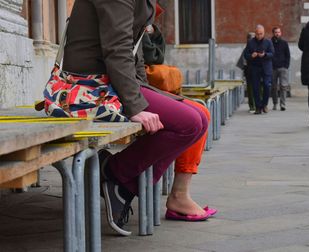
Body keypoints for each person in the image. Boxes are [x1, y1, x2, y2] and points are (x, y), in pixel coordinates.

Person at [62, 0, 213, 236]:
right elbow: (117, 49)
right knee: (189, 123)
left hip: (114, 81)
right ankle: (114, 174)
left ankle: (122, 184)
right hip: (91, 86)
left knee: (201, 115)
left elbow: (136, 54)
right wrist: (136, 106)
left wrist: (147, 93)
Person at [142, 22, 217, 221]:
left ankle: (179, 193)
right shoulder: (127, 10)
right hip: (126, 86)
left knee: (202, 114)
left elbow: (156, 54)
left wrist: (151, 28)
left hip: (137, 83)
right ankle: (132, 179)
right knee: (192, 120)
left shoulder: (143, 17)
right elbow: (151, 56)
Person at [244, 25, 275, 114]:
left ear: (264, 33)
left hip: (266, 67)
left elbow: (272, 53)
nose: (259, 36)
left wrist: (265, 55)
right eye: (257, 34)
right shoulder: (250, 42)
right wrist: (251, 56)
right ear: (255, 33)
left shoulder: (268, 42)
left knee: (266, 85)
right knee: (255, 88)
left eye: (261, 34)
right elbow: (246, 55)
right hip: (255, 67)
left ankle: (264, 104)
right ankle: (258, 107)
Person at [271, 27, 291, 111]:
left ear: (281, 33)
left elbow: (288, 55)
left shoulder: (284, 43)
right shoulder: (270, 43)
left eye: (279, 32)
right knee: (274, 87)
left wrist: (286, 66)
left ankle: (283, 105)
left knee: (283, 86)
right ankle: (275, 103)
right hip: (273, 68)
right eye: (276, 32)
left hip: (283, 68)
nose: (277, 34)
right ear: (273, 33)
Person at [237, 32, 255, 112]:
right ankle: (252, 106)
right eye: (250, 38)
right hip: (249, 72)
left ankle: (259, 105)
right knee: (250, 89)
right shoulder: (246, 49)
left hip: (258, 71)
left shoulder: (258, 47)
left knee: (259, 88)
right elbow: (243, 63)